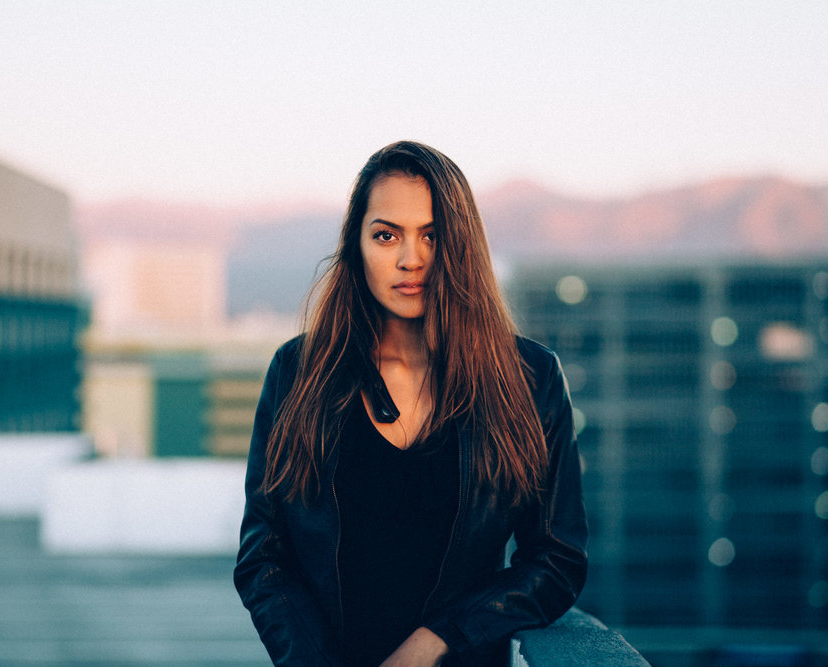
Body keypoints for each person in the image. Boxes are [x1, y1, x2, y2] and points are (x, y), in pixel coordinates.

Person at [234, 141, 587, 666]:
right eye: (386, 235)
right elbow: (263, 559)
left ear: (461, 245)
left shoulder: (528, 380)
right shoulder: (299, 373)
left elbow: (557, 561)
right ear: (357, 245)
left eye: (432, 235)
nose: (410, 259)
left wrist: (437, 640)